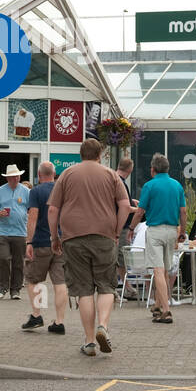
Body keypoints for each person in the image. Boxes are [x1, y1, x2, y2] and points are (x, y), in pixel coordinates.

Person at [49, 138, 131, 356]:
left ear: (80, 154)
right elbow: (125, 205)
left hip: (73, 237)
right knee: (106, 285)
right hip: (104, 235)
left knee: (84, 290)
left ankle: (89, 341)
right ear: (100, 155)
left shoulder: (67, 174)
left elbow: (52, 209)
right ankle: (103, 326)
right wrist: (116, 230)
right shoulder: (110, 175)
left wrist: (54, 236)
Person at [128, 152, 187, 324]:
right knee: (166, 270)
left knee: (158, 270)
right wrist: (182, 232)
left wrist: (131, 228)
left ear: (152, 169)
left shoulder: (149, 186)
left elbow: (140, 211)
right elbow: (183, 212)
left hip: (155, 230)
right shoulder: (177, 186)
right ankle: (158, 305)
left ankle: (165, 310)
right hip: (171, 231)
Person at [21, 161, 66, 334]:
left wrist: (29, 242)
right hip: (60, 242)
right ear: (54, 175)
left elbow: (33, 217)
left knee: (34, 280)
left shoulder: (36, 191)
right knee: (60, 282)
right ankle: (59, 321)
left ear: (39, 175)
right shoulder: (62, 191)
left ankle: (37, 315)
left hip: (40, 242)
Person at [0, 165, 31, 300]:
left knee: (19, 262)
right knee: (4, 258)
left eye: (18, 175)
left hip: (20, 232)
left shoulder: (26, 191)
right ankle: (3, 287)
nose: (16, 178)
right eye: (13, 176)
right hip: (3, 232)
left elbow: (32, 209)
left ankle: (15, 290)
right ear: (7, 178)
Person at [115, 157, 137, 290]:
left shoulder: (113, 179)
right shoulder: (121, 182)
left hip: (114, 224)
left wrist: (131, 201)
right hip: (122, 226)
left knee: (118, 257)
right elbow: (125, 208)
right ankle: (126, 287)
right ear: (130, 169)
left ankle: (124, 286)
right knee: (121, 258)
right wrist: (139, 210)